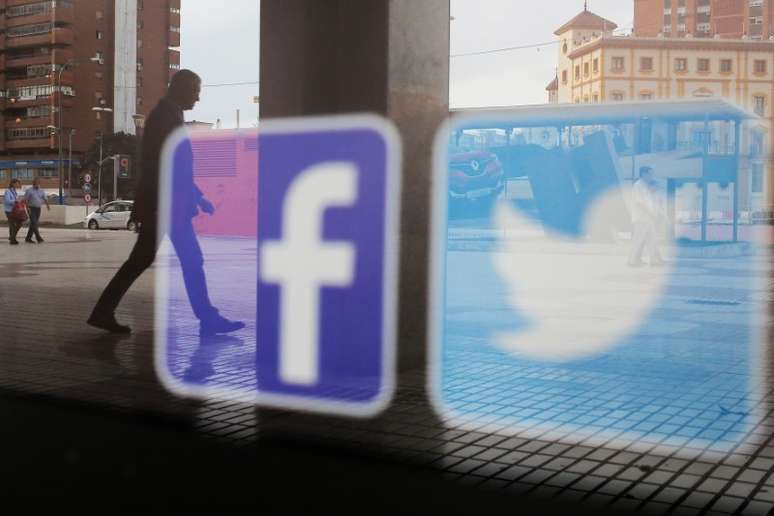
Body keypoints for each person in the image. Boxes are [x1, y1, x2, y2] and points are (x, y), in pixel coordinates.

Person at [88, 69, 244, 336]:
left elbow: (174, 167)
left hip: (167, 204)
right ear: (181, 89)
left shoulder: (168, 116)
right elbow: (161, 166)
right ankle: (207, 318)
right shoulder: (165, 118)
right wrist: (161, 203)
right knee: (187, 259)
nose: (198, 97)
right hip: (166, 206)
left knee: (144, 260)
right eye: (195, 90)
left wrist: (197, 196)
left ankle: (103, 311)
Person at [628, 166, 665, 267]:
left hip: (648, 218)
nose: (651, 176)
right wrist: (650, 213)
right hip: (641, 218)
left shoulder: (645, 186)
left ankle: (654, 260)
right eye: (650, 174)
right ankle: (632, 261)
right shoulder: (638, 185)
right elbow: (640, 202)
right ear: (644, 174)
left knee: (652, 239)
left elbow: (649, 202)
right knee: (638, 240)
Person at [23, 177, 50, 243]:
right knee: (34, 223)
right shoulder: (29, 190)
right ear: (33, 184)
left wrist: (47, 205)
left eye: (38, 183)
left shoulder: (41, 190)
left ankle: (28, 238)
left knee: (33, 224)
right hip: (31, 208)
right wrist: (27, 208)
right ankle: (38, 237)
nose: (37, 185)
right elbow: (25, 200)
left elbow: (44, 198)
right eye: (36, 183)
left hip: (38, 209)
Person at [4, 178, 24, 245]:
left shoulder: (14, 191)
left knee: (19, 223)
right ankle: (13, 239)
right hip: (9, 210)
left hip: (15, 210)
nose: (18, 184)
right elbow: (7, 201)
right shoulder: (8, 191)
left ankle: (12, 237)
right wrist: (15, 201)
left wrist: (20, 200)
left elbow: (16, 199)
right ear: (13, 183)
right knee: (12, 225)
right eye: (17, 183)